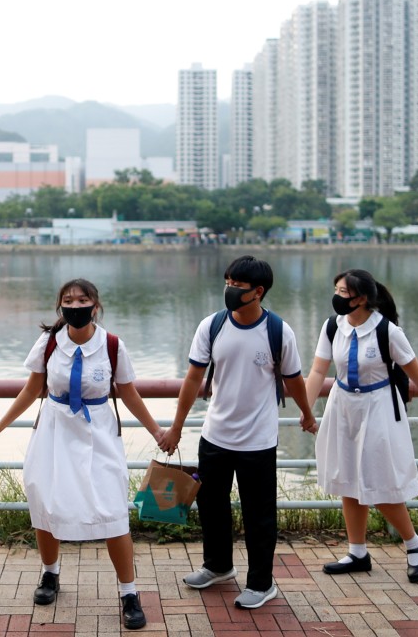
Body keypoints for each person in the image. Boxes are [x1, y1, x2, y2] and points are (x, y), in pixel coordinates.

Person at [0, 278, 166, 631]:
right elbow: (31, 391)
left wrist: (157, 431)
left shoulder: (111, 345)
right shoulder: (48, 343)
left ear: (96, 305)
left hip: (99, 435)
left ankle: (129, 593)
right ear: (60, 306)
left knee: (112, 510)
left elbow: (129, 394)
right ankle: (50, 574)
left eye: (83, 299)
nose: (75, 306)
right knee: (46, 502)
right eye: (68, 300)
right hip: (54, 432)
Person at [159, 255, 317, 610]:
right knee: (211, 506)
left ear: (258, 292)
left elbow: (294, 381)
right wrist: (177, 428)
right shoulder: (211, 325)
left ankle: (261, 584)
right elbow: (193, 379)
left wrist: (307, 415)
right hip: (215, 435)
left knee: (259, 514)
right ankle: (218, 567)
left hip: (258, 441)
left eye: (237, 285)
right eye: (227, 281)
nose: (229, 289)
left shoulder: (279, 331)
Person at [304, 269, 418, 585]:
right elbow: (318, 370)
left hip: (379, 408)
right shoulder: (333, 326)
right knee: (346, 478)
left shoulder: (388, 331)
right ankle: (357, 551)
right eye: (336, 289)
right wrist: (306, 410)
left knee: (379, 479)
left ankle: (414, 543)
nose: (337, 296)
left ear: (361, 298)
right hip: (342, 407)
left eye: (343, 292)